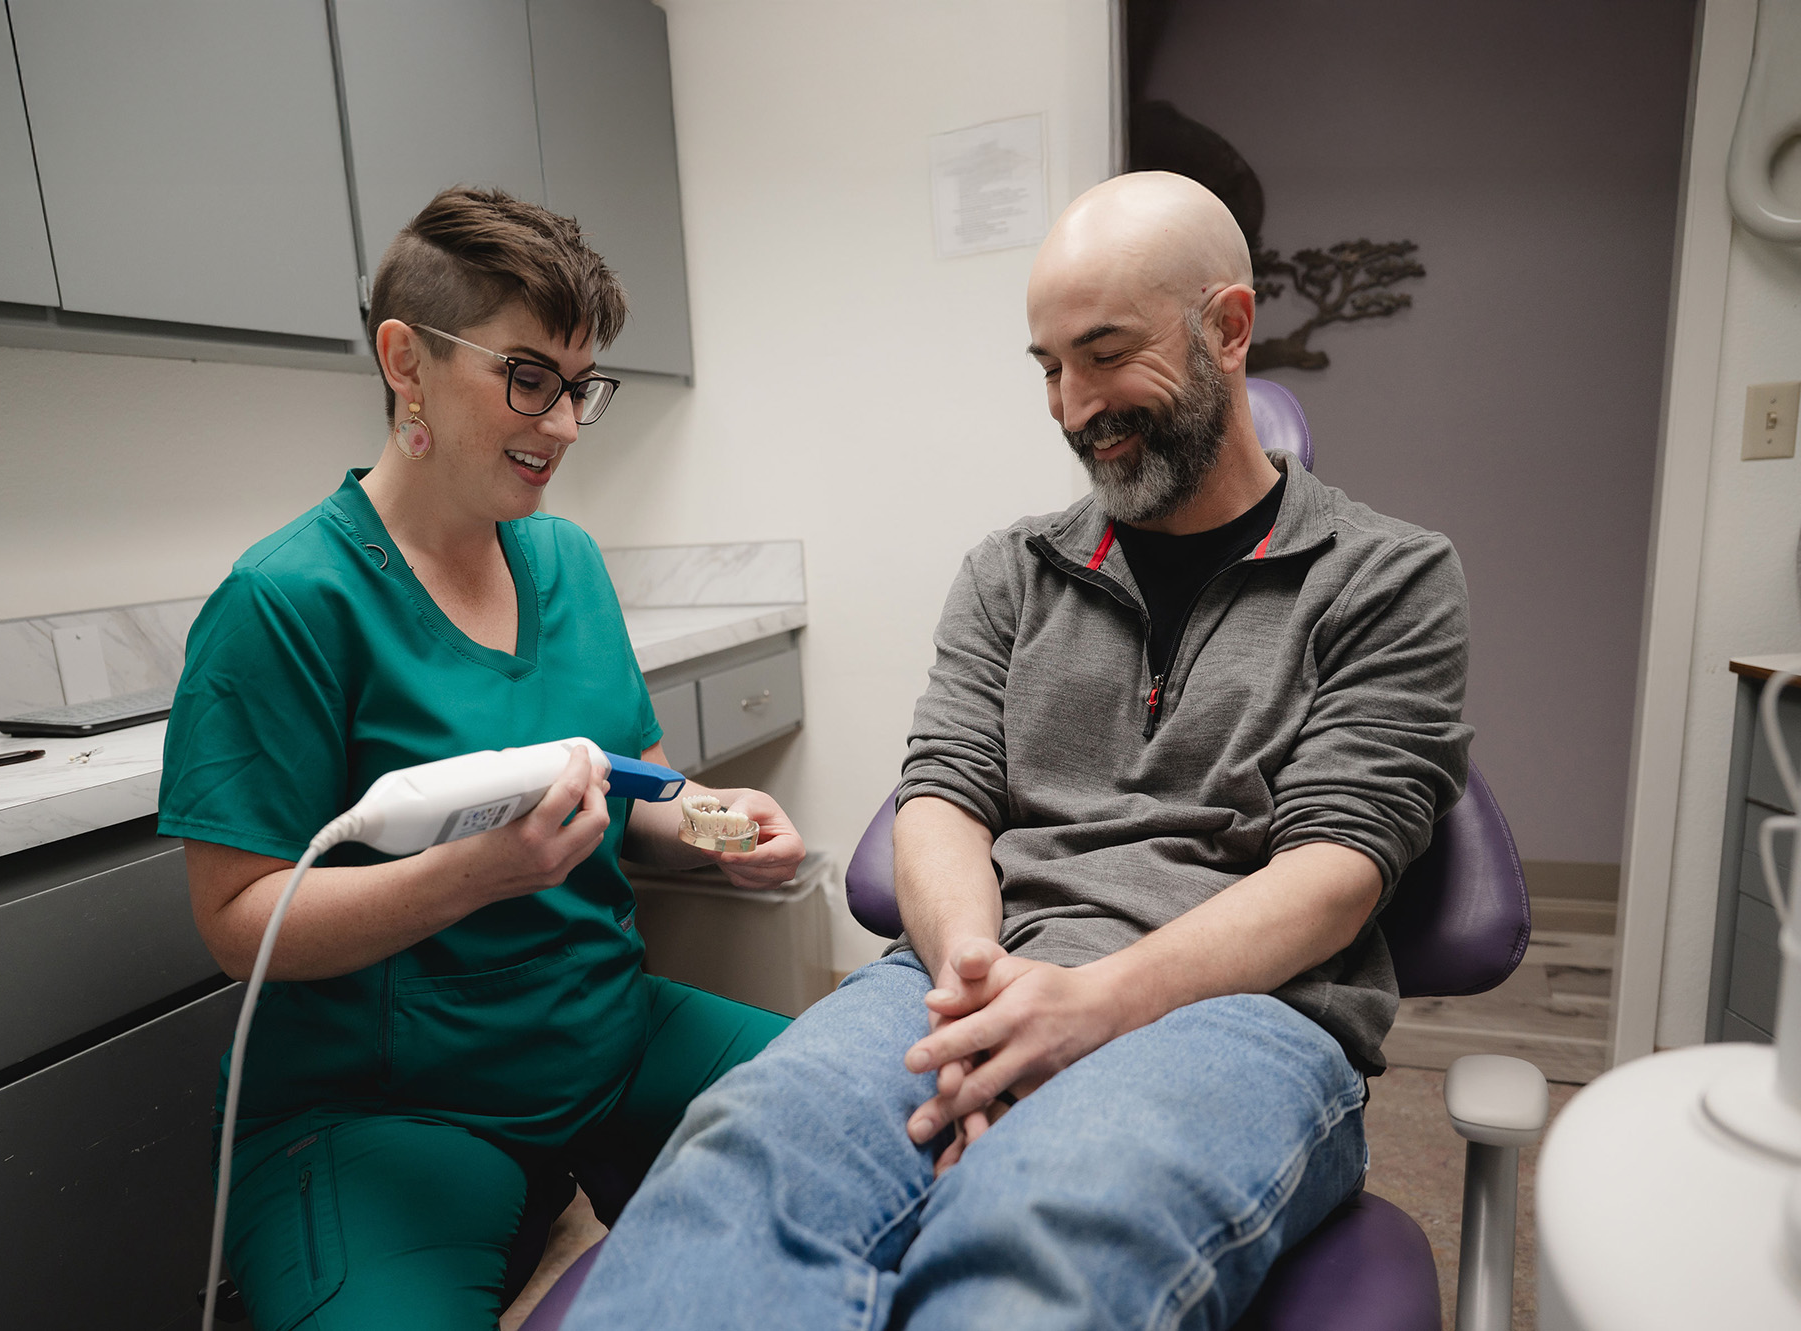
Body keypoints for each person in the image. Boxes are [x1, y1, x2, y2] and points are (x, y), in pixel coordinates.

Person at [560, 171, 1472, 1328]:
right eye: (1046, 365)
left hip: (1244, 1011)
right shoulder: (1010, 570)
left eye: (1102, 353)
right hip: (973, 974)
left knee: (1039, 1225)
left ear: (1227, 328)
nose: (1068, 402)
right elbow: (938, 796)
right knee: (735, 1160)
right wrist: (976, 991)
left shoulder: (1387, 576)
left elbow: (1336, 873)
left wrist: (1087, 1006)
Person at [157, 186, 804, 1331]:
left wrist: (723, 828)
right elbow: (236, 922)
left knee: (883, 1109)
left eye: (578, 386)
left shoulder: (565, 560)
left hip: (602, 1034)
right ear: (404, 359)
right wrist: (478, 872)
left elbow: (638, 781)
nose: (559, 423)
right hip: (380, 1110)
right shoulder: (285, 602)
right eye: (526, 376)